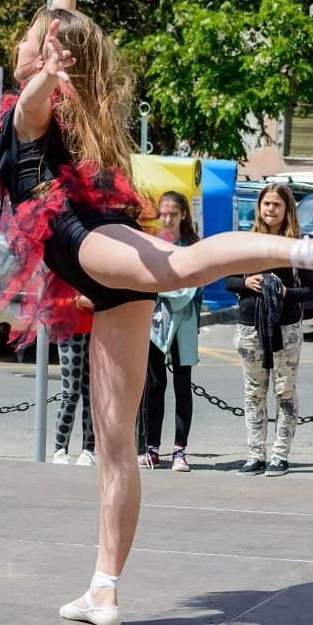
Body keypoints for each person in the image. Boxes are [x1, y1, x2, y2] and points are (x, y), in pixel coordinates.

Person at [0, 0, 313, 625]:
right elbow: (59, 13)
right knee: (115, 439)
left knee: (179, 268)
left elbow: (36, 85)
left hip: (78, 236)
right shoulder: (53, 74)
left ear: (46, 60)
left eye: (32, 42)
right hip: (95, 245)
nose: (23, 41)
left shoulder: (33, 105)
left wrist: (46, 72)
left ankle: (312, 250)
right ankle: (104, 588)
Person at [225, 184, 313, 477]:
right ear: (259, 207)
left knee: (284, 391)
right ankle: (255, 453)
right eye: (266, 204)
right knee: (253, 393)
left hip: (285, 328)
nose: (270, 210)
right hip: (250, 325)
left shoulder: (296, 246)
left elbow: (310, 291)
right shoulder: (246, 241)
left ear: (287, 208)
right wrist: (246, 283)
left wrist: (284, 291)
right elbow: (227, 280)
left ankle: (280, 454)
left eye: (277, 204)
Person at [139, 191, 201, 472]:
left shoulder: (193, 247)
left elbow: (189, 289)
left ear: (184, 215)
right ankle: (151, 448)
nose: (167, 220)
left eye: (173, 214)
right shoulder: (151, 244)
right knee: (154, 385)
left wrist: (160, 289)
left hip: (185, 325)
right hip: (155, 324)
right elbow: (142, 282)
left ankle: (180, 450)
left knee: (182, 386)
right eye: (162, 214)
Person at [53, 294, 96, 466]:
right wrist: (77, 300)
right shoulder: (65, 266)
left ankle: (88, 449)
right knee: (70, 392)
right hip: (69, 329)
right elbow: (52, 295)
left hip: (96, 329)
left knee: (92, 392)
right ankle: (60, 449)